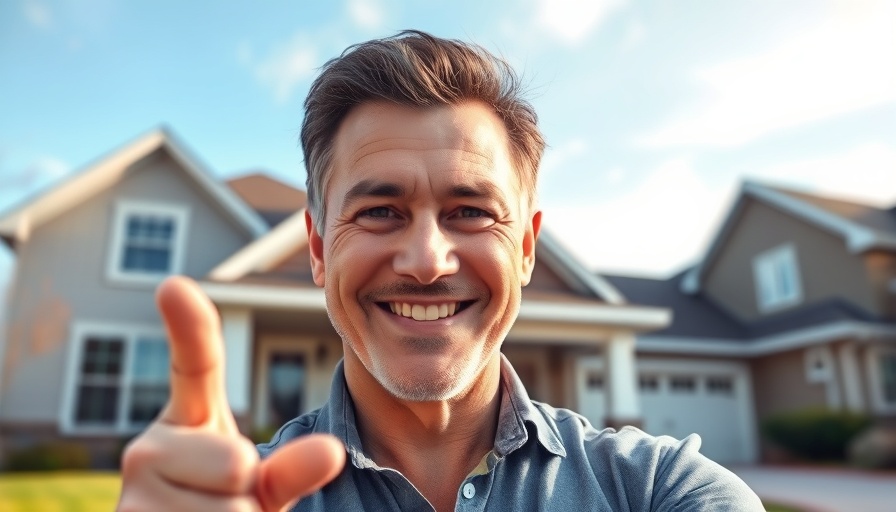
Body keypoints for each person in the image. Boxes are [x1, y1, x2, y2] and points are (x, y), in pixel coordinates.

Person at [117, 30, 764, 511]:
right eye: (379, 211)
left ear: (526, 249)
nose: (427, 261)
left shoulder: (658, 491)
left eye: (471, 212)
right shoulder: (244, 502)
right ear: (317, 249)